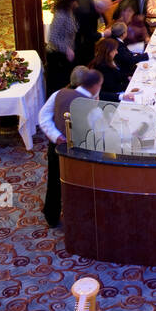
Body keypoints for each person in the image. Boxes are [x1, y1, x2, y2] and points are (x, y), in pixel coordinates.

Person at [38, 66, 103, 226]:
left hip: (57, 147)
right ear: (93, 86)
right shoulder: (89, 105)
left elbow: (43, 116)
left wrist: (56, 136)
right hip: (80, 152)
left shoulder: (59, 93)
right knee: (80, 183)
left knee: (54, 181)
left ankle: (51, 216)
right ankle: (79, 217)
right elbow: (100, 130)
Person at [45, 0, 79, 97]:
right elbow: (53, 38)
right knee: (59, 82)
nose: (77, 4)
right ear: (70, 2)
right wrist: (67, 50)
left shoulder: (68, 11)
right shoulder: (60, 15)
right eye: (75, 1)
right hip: (57, 54)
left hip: (65, 52)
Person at [91, 37, 129, 101]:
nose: (117, 52)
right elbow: (112, 87)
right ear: (109, 52)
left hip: (118, 90)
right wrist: (128, 86)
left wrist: (128, 77)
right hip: (112, 97)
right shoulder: (101, 67)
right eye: (115, 50)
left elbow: (118, 74)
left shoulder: (109, 60)